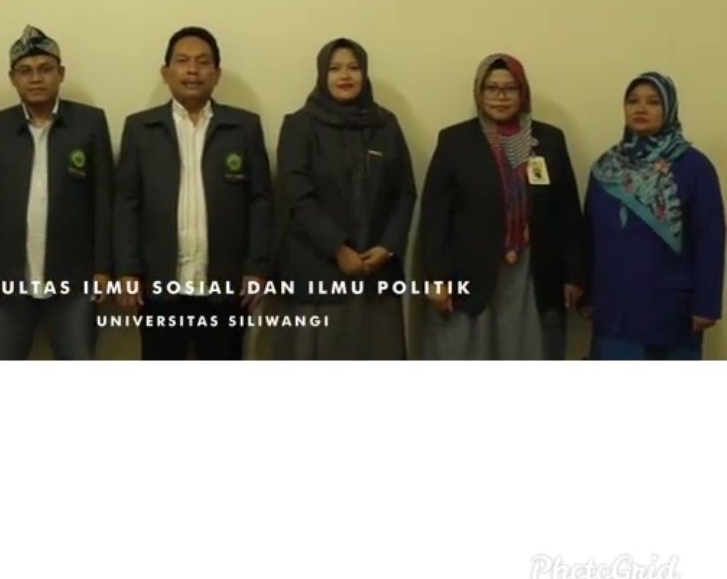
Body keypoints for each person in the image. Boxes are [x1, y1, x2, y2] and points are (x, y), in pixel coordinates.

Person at [114, 26, 273, 359]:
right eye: (182, 61)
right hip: (160, 286)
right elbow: (127, 203)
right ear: (166, 72)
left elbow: (260, 201)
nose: (192, 70)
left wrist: (257, 268)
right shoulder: (141, 129)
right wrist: (128, 270)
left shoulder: (243, 127)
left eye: (202, 62)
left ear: (216, 73)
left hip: (226, 286)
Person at [420, 53, 586, 360]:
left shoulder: (550, 140)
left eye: (510, 88)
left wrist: (573, 275)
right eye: (492, 88)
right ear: (479, 92)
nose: (500, 96)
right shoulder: (455, 141)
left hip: (532, 272)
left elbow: (568, 213)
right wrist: (437, 278)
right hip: (471, 271)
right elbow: (434, 219)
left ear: (523, 92)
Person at [0, 25, 115, 359]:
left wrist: (104, 267)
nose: (36, 78)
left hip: (74, 278)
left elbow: (103, 201)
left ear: (61, 73)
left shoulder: (89, 123)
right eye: (25, 71)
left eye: (45, 69)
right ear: (12, 78)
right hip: (7, 279)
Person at [275, 38, 416, 359]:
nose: (345, 75)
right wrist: (338, 248)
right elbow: (298, 195)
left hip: (376, 274)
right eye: (335, 68)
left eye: (354, 67)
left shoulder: (385, 124)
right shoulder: (300, 125)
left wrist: (387, 247)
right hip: (318, 271)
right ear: (322, 75)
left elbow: (404, 192)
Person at [585, 72, 725, 360]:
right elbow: (590, 236)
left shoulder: (693, 167)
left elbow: (710, 238)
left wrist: (706, 305)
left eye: (653, 102)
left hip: (671, 311)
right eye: (633, 101)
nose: (641, 108)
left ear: (669, 108)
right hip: (614, 308)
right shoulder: (606, 168)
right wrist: (588, 295)